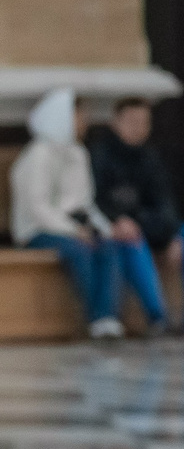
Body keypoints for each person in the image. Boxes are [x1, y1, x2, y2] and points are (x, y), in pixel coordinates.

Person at [13, 88, 130, 339]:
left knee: (109, 247)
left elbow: (85, 203)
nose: (84, 122)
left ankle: (108, 317)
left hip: (74, 228)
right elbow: (38, 208)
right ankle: (95, 316)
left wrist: (105, 229)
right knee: (79, 250)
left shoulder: (78, 153)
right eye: (79, 116)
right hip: (37, 231)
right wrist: (74, 231)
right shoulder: (38, 155)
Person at [88, 95, 178, 332]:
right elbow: (96, 200)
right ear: (116, 122)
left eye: (143, 122)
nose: (138, 128)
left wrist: (170, 235)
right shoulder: (100, 156)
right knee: (132, 241)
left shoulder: (150, 158)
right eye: (132, 121)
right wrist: (118, 221)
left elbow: (164, 203)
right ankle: (157, 316)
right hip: (117, 229)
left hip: (148, 225)